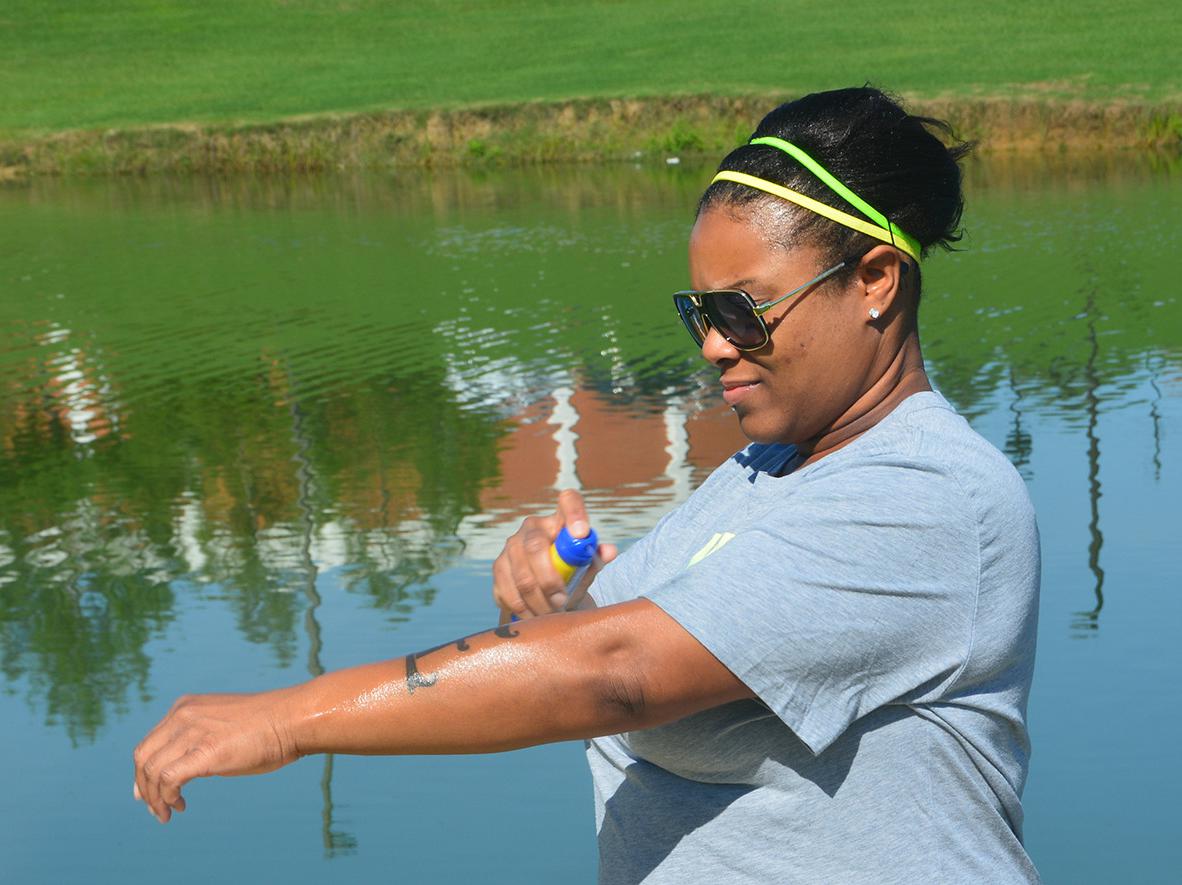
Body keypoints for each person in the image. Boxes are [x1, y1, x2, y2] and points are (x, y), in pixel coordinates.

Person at [133, 86, 1040, 883]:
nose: (715, 345)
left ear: (875, 280)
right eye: (698, 312)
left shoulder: (929, 497)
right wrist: (565, 599)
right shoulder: (767, 468)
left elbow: (618, 674)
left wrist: (292, 718)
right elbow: (623, 643)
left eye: (742, 310)